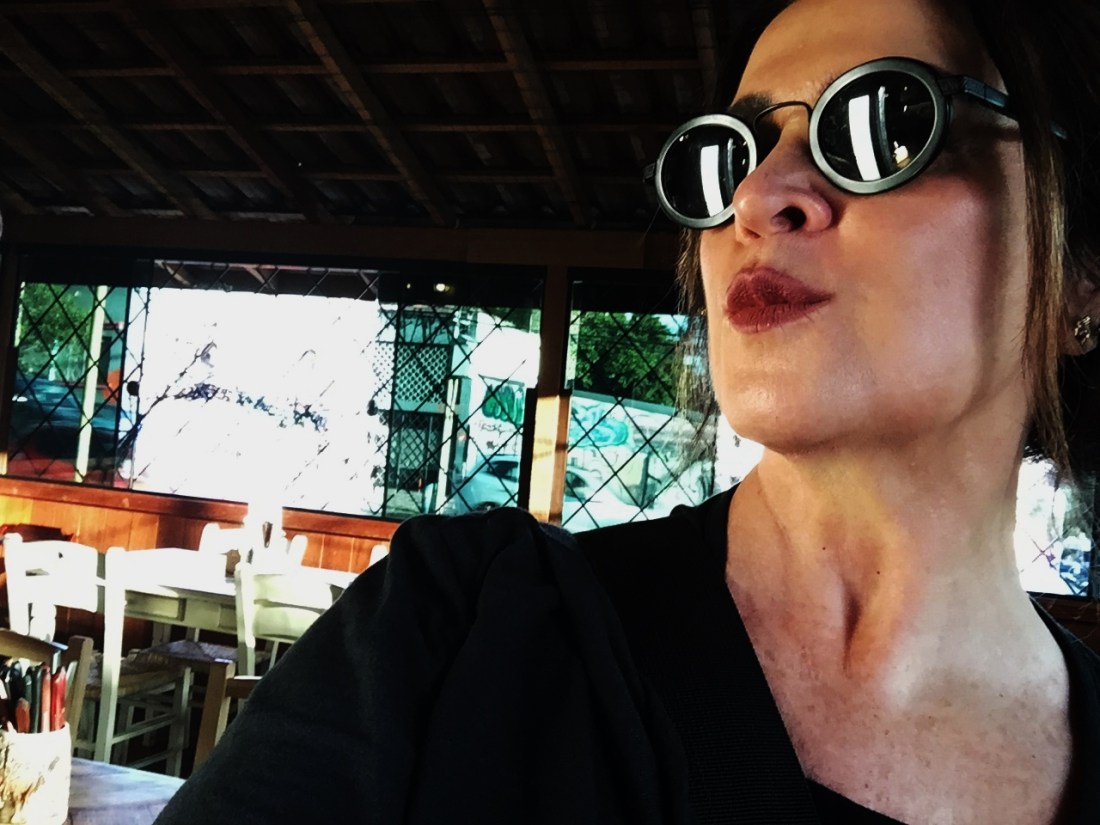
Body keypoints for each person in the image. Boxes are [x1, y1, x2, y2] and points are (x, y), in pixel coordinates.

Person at [156, 0, 1100, 822]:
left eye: (884, 119)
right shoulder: (452, 632)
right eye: (731, 154)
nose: (755, 197)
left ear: (1081, 280)